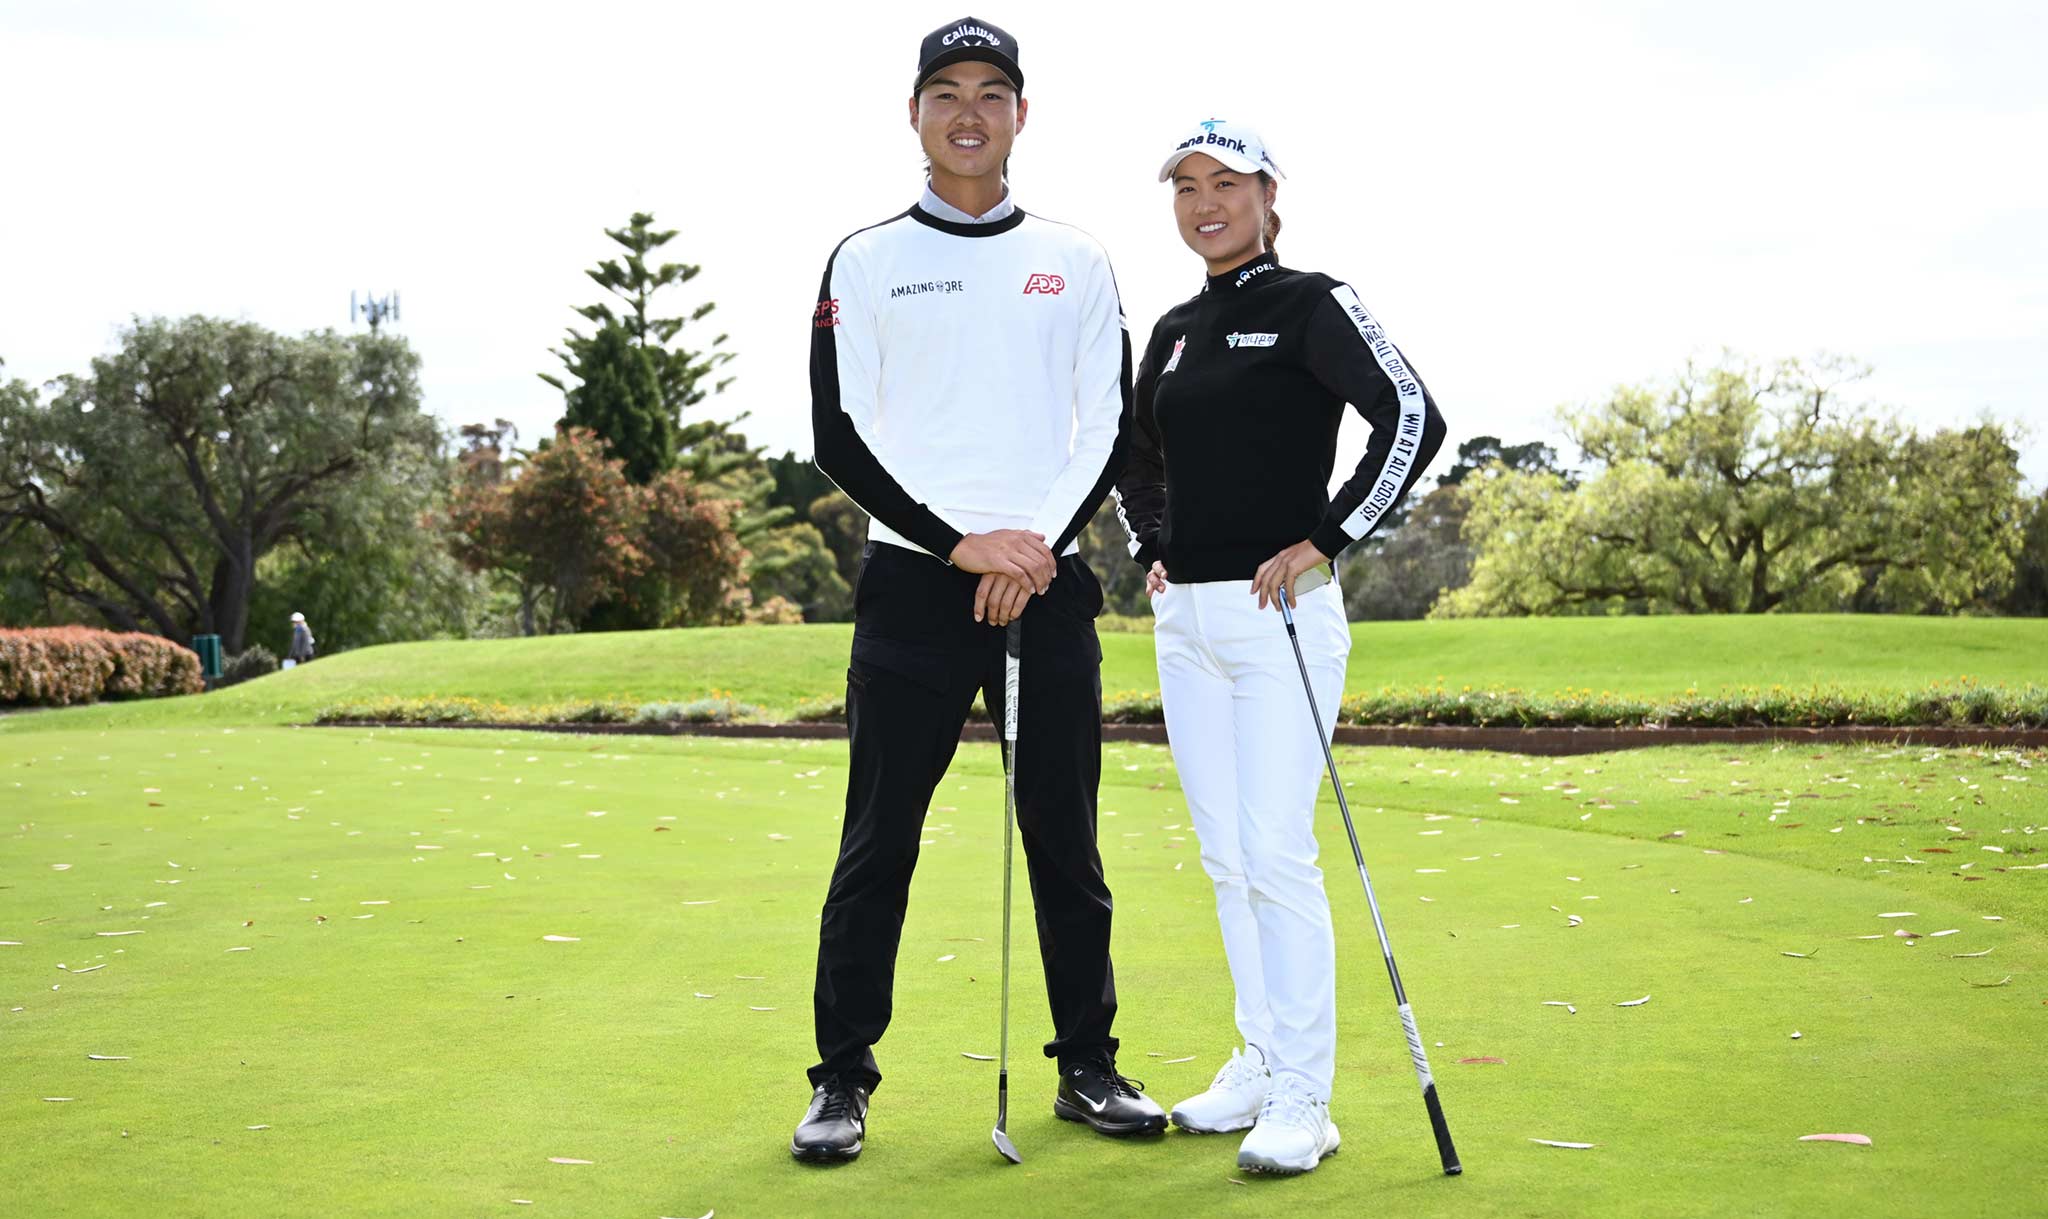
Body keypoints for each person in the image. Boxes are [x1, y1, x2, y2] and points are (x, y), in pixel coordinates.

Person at [791, 16, 1165, 1164]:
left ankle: (1088, 1067)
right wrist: (961, 545)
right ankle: (841, 1079)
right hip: (912, 585)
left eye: (990, 91)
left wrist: (1028, 547)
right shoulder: (861, 258)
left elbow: (1107, 424)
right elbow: (837, 436)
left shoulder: (1079, 257)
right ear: (913, 114)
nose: (967, 111)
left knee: (1065, 839)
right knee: (876, 844)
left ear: (1019, 113)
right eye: (944, 91)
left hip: (1044, 581)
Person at [1112, 119, 1447, 1175]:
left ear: (1266, 195)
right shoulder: (1170, 328)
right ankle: (1259, 1057)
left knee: (1274, 850)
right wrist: (1153, 547)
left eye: (1225, 182)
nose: (1203, 201)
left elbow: (1409, 415)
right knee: (1223, 857)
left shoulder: (1310, 301)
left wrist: (1327, 538)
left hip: (1281, 619)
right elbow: (1134, 454)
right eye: (1185, 186)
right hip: (1186, 624)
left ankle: (1307, 1094)